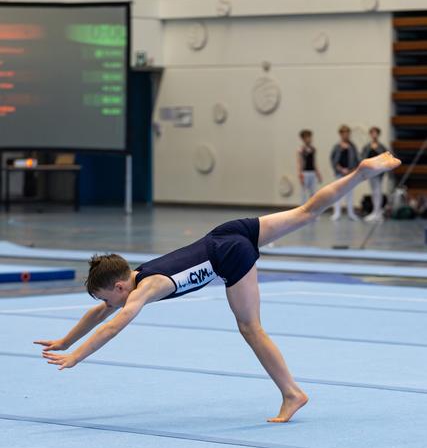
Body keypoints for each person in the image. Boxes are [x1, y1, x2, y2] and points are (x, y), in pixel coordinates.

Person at [34, 152, 401, 423]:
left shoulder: (147, 288)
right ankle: (360, 173)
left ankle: (293, 393)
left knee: (250, 328)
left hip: (228, 256)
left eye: (107, 297)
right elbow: (103, 312)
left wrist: (77, 355)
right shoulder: (136, 276)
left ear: (118, 285)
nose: (109, 305)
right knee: (306, 211)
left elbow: (114, 322)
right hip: (227, 231)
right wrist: (65, 340)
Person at [330, 125, 360, 221]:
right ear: (340, 134)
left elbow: (357, 159)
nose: (345, 135)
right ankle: (337, 213)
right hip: (340, 172)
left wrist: (353, 170)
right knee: (338, 193)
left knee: (350, 194)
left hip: (350, 172)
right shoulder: (337, 146)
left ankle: (351, 213)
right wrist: (340, 169)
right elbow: (333, 159)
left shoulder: (352, 146)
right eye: (343, 133)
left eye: (347, 133)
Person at [361, 127, 387, 222]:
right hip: (370, 172)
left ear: (378, 134)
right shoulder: (367, 147)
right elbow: (363, 158)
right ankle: (374, 212)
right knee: (373, 192)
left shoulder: (381, 147)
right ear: (370, 134)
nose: (374, 135)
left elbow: (385, 158)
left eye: (376, 133)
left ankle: (378, 212)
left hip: (379, 172)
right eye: (372, 133)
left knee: (378, 192)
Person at [297, 129, 322, 204]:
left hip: (312, 172)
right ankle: (302, 211)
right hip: (305, 173)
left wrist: (318, 174)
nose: (309, 139)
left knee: (313, 193)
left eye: (310, 137)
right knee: (304, 193)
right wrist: (300, 174)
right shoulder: (301, 150)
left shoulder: (313, 149)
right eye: (307, 137)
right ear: (303, 139)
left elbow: (314, 162)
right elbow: (299, 162)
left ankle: (313, 211)